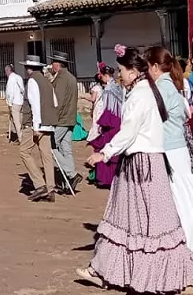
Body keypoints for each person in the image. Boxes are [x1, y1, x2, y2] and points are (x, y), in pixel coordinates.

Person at [78, 45, 193, 291]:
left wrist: (104, 153)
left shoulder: (142, 94)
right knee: (146, 223)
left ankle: (120, 273)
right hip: (150, 163)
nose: (120, 74)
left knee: (131, 221)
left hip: (141, 165)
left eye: (122, 70)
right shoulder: (150, 91)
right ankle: (120, 272)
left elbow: (127, 133)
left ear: (133, 71)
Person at [147, 46, 193, 250]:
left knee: (182, 200)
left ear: (155, 67)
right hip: (177, 149)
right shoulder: (171, 86)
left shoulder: (163, 89)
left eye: (147, 67)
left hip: (171, 150)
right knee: (184, 197)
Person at [19, 55, 59, 203]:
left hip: (36, 125)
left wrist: (36, 126)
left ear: (29, 68)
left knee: (24, 152)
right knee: (46, 156)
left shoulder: (33, 81)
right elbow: (54, 103)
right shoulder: (47, 82)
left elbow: (35, 105)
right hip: (48, 124)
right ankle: (50, 189)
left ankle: (40, 184)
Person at [49, 52, 82, 191]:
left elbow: (58, 102)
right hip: (70, 119)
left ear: (57, 64)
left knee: (50, 147)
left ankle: (71, 173)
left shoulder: (62, 79)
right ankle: (68, 180)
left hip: (61, 120)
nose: (51, 66)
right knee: (66, 149)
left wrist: (52, 120)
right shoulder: (72, 78)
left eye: (53, 63)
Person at [86, 64, 122, 188]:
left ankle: (106, 178)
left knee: (105, 147)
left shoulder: (108, 89)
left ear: (105, 76)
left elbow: (108, 109)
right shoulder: (118, 87)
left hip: (111, 121)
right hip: (118, 120)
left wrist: (103, 122)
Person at [5, 65, 25, 143]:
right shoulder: (19, 77)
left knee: (16, 121)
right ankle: (20, 136)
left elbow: (10, 93)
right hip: (20, 102)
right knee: (20, 121)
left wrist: (9, 104)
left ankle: (21, 139)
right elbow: (22, 90)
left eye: (6, 71)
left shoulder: (11, 79)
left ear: (8, 70)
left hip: (14, 102)